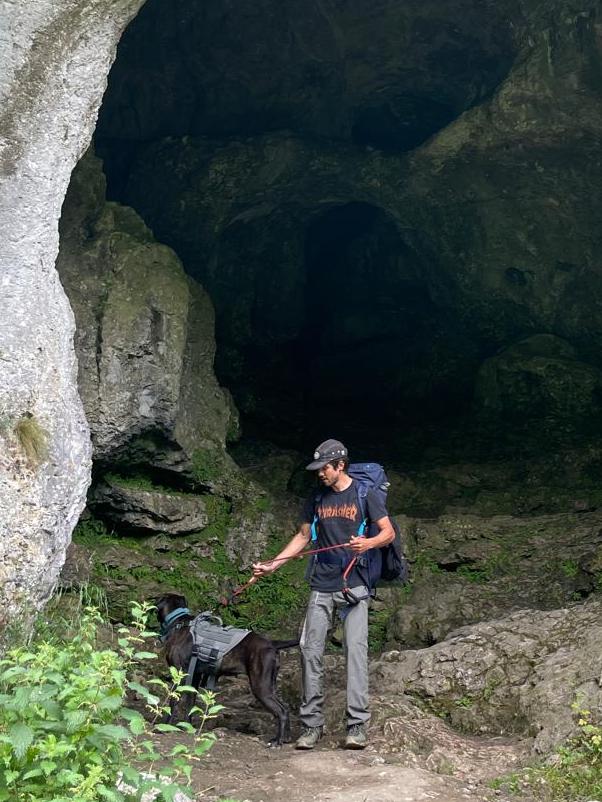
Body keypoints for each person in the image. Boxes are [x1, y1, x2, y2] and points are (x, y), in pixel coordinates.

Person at [252, 438, 395, 750]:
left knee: (355, 653)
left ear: (340, 465)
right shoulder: (316, 499)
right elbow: (304, 536)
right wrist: (272, 566)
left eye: (324, 468)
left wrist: (368, 544)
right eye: (317, 469)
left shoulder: (365, 493)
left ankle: (357, 727)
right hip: (322, 582)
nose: (319, 473)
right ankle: (311, 726)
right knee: (309, 650)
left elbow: (388, 532)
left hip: (355, 583)